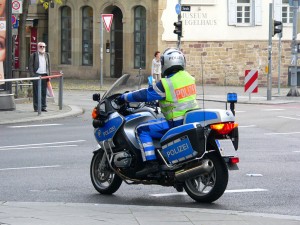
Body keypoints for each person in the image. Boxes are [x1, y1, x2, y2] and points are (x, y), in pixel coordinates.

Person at [120, 48, 198, 177]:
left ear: (166, 63)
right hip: (190, 118)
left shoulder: (166, 83)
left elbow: (145, 94)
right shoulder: (189, 78)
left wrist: (124, 97)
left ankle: (151, 164)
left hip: (175, 122)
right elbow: (178, 98)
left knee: (142, 130)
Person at [29, 42, 51, 112]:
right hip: (37, 75)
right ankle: (36, 107)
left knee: (44, 92)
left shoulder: (47, 55)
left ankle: (43, 107)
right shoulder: (33, 55)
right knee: (36, 92)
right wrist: (33, 75)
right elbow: (30, 66)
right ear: (38, 47)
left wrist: (49, 75)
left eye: (43, 47)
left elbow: (49, 66)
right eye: (41, 46)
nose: (42, 48)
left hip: (44, 75)